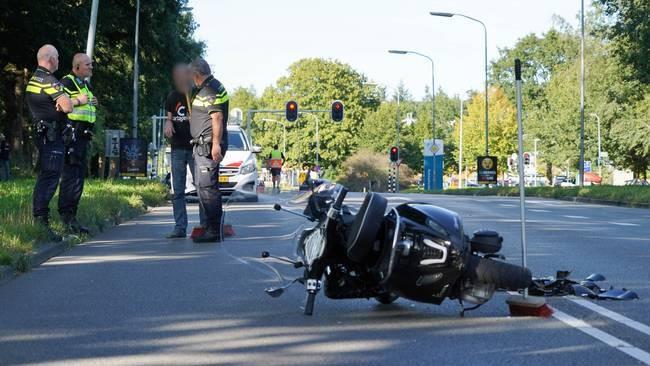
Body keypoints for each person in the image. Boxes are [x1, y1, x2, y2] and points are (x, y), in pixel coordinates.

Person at [25, 44, 74, 241]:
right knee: (50, 177)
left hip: (43, 133)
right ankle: (42, 222)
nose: (59, 61)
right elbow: (67, 106)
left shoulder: (34, 79)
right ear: (51, 59)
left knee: (46, 176)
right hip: (52, 136)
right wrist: (66, 102)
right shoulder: (49, 81)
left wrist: (62, 103)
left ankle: (40, 219)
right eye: (58, 57)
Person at [188, 57, 229, 243]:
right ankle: (210, 226)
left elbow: (217, 118)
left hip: (207, 146)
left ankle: (213, 230)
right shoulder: (211, 86)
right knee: (204, 187)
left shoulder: (209, 90)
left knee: (208, 189)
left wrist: (216, 145)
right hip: (203, 145)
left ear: (197, 74)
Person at [164, 64, 206, 238]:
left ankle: (205, 225)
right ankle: (180, 227)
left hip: (195, 148)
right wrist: (168, 123)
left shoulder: (198, 94)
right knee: (178, 190)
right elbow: (169, 116)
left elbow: (208, 117)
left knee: (202, 188)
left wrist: (195, 118)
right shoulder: (173, 96)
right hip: (177, 148)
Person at [59, 53, 97, 234]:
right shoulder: (67, 82)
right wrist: (79, 101)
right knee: (71, 177)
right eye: (88, 64)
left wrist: (92, 102)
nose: (91, 67)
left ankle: (72, 217)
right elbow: (59, 104)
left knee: (78, 179)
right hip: (72, 136)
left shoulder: (85, 84)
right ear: (77, 67)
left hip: (83, 137)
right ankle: (66, 218)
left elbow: (87, 105)